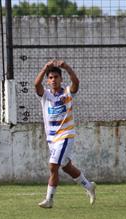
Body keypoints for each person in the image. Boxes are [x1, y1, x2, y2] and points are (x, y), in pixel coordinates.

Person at [34, 60, 96, 208]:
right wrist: (44, 69)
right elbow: (36, 85)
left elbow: (76, 83)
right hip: (52, 138)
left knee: (53, 166)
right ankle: (89, 186)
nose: (53, 80)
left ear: (61, 79)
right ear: (48, 81)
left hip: (66, 135)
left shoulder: (68, 92)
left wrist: (67, 67)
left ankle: (49, 200)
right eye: (51, 78)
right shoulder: (45, 96)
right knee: (66, 167)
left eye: (56, 77)